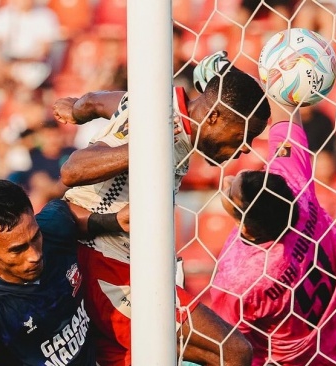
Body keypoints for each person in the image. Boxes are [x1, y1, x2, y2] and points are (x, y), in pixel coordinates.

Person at [52, 57, 271, 365]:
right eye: (244, 134)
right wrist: (150, 146)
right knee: (233, 352)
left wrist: (77, 109)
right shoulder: (163, 133)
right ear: (213, 117)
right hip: (107, 266)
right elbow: (72, 171)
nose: (246, 147)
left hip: (113, 266)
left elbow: (97, 101)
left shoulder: (161, 99)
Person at [209, 113, 336, 365]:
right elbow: (286, 117)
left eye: (231, 188)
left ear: (245, 228)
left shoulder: (237, 278)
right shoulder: (295, 186)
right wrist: (280, 80)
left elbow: (231, 345)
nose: (227, 178)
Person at [0, 180, 118, 365]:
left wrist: (114, 221)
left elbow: (63, 209)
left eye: (35, 237)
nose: (34, 255)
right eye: (18, 250)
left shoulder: (52, 228)